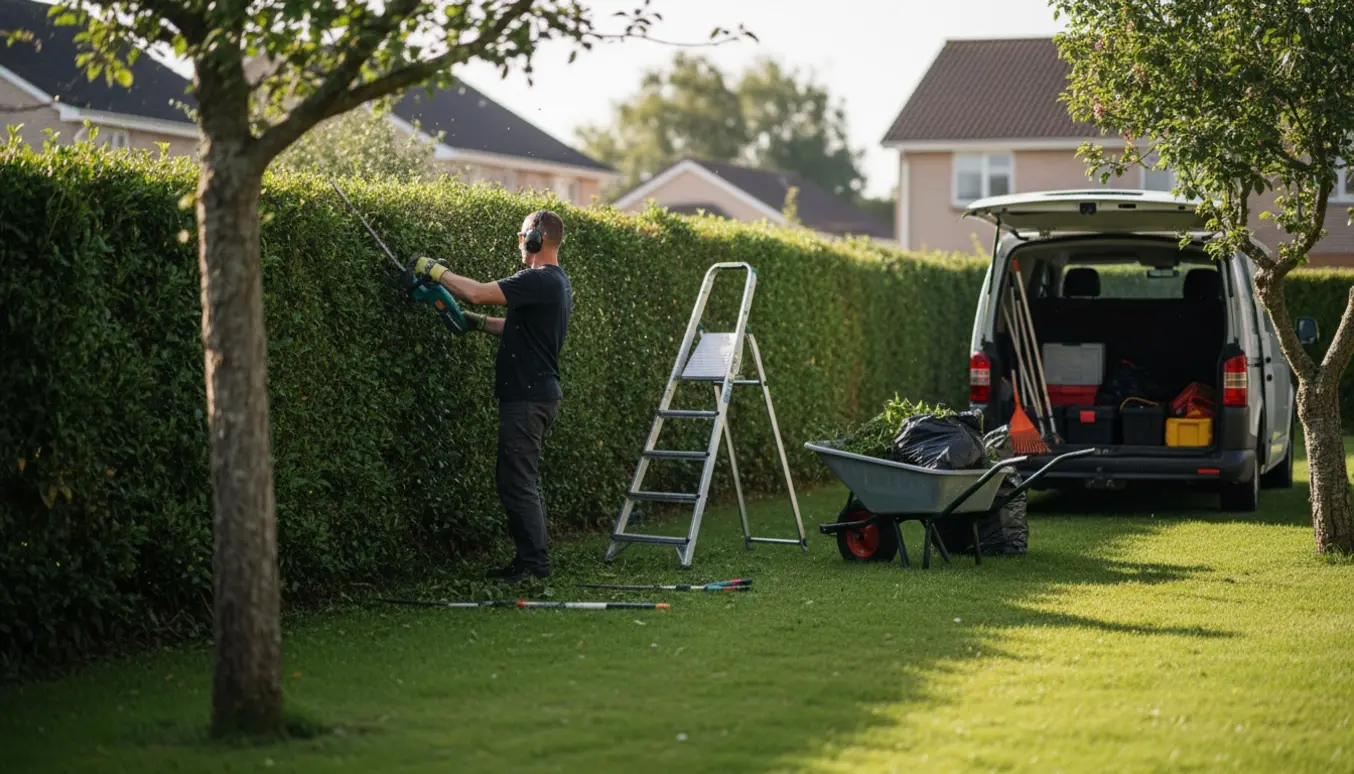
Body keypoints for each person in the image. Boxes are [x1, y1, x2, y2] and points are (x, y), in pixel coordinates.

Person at [411, 210, 572, 583]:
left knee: (518, 481)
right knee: (520, 479)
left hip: (529, 396)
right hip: (536, 394)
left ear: (534, 238)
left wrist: (434, 270)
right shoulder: (555, 282)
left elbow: (479, 293)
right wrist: (476, 323)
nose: (519, 243)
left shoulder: (540, 279)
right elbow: (518, 326)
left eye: (520, 236)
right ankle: (529, 561)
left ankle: (534, 565)